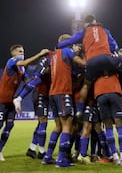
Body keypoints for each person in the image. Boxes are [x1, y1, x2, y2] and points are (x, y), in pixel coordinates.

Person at [56, 14, 122, 119]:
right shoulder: (104, 30)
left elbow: (69, 41)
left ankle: (79, 111)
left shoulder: (83, 32)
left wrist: (58, 47)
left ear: (85, 23)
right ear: (95, 21)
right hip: (106, 58)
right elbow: (114, 46)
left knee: (86, 85)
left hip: (91, 61)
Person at [0, 44, 49, 162]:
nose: (22, 53)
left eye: (23, 51)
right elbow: (23, 63)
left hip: (11, 102)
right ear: (13, 53)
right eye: (19, 51)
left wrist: (39, 78)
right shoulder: (11, 62)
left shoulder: (22, 69)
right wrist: (39, 55)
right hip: (0, 100)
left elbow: (28, 82)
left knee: (9, 126)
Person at [42, 34, 86, 168]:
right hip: (63, 92)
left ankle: (48, 156)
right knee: (68, 125)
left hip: (52, 93)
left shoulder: (54, 55)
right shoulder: (66, 51)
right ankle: (61, 160)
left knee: (58, 126)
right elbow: (83, 63)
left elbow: (48, 71)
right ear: (69, 42)